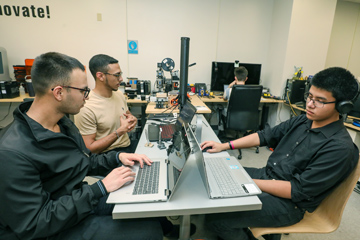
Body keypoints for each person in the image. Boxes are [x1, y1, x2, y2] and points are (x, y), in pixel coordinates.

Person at [0, 52, 166, 240]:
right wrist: (100, 189)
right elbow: (34, 223)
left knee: (150, 206)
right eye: (83, 91)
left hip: (76, 204)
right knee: (150, 231)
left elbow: (83, 160)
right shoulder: (12, 153)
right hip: (53, 229)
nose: (86, 97)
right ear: (59, 92)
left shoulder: (62, 124)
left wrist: (117, 158)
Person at [201, 67, 359, 240]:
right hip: (268, 175)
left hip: (290, 205)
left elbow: (297, 190)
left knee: (217, 219)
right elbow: (265, 136)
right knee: (218, 175)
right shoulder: (304, 119)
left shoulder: (339, 147)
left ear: (342, 106)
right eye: (309, 97)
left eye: (320, 101)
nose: (310, 104)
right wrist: (224, 145)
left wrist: (247, 183)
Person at [74, 54, 138, 154]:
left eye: (120, 74)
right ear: (100, 76)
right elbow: (89, 149)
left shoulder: (119, 94)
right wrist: (120, 132)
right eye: (117, 75)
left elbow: (127, 115)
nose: (121, 79)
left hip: (127, 147)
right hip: (106, 157)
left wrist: (132, 119)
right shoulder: (86, 107)